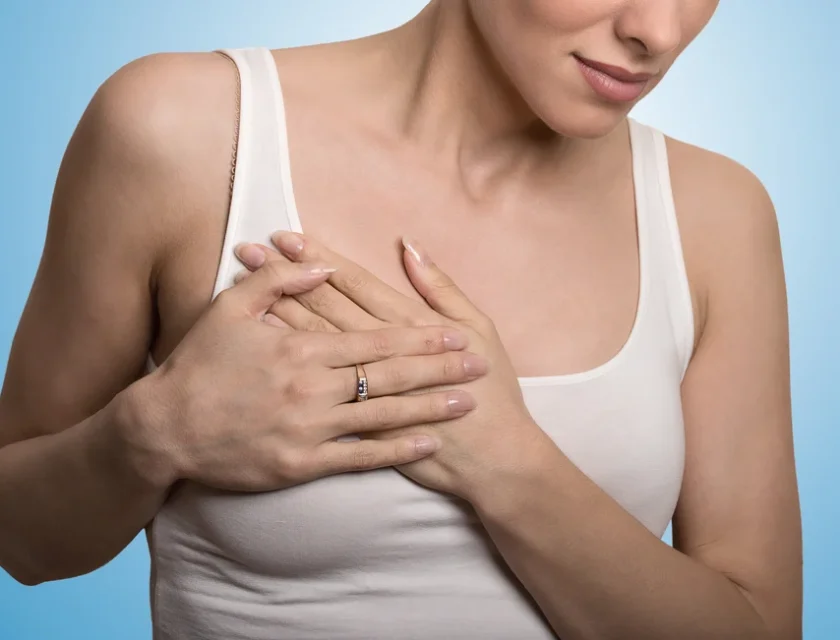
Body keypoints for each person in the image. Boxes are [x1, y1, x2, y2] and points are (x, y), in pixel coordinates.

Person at [0, 1, 802, 638]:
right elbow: (20, 542)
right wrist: (151, 436)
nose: (658, 30)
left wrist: (510, 465)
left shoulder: (715, 216)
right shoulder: (187, 134)